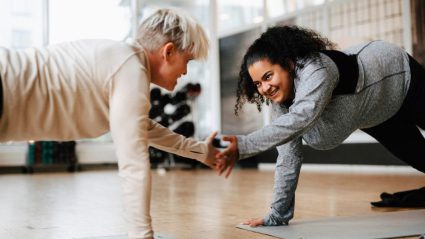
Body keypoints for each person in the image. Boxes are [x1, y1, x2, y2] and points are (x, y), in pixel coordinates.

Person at [0, 8, 220, 239]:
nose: (185, 72)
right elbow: (133, 163)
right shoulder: (130, 68)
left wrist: (199, 151)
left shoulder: (124, 62)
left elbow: (143, 129)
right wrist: (142, 235)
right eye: (188, 61)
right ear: (169, 51)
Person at [216, 25, 425, 227]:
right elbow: (288, 158)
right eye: (258, 84)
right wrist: (277, 215)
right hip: (376, 111)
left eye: (268, 76)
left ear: (288, 64)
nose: (264, 88)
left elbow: (301, 117)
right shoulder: (281, 107)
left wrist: (245, 145)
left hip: (398, 75)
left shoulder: (317, 69)